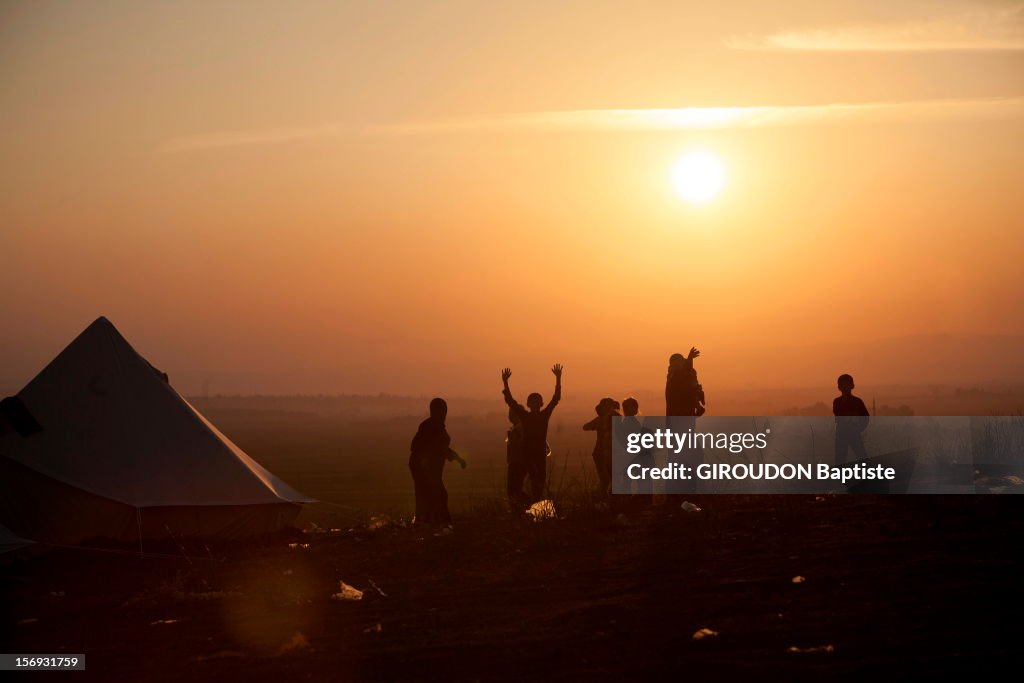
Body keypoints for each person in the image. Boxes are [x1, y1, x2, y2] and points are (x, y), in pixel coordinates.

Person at [501, 364, 562, 502]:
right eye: (532, 402)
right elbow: (510, 402)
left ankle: (533, 511)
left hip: (539, 456)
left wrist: (558, 379)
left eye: (537, 402)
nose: (535, 404)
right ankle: (530, 509)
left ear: (541, 404)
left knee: (538, 487)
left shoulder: (543, 416)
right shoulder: (526, 416)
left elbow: (555, 399)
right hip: (528, 456)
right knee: (525, 487)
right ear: (528, 404)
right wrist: (505, 382)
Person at [409, 397, 466, 526]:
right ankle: (438, 523)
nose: (444, 414)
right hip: (424, 469)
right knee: (435, 496)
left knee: (432, 496)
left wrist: (458, 459)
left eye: (444, 411)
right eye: (441, 411)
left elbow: (443, 449)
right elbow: (417, 448)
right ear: (434, 411)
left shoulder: (436, 426)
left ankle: (430, 523)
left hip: (428, 469)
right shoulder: (428, 427)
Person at [665, 347, 705, 494]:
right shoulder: (673, 378)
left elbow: (690, 388)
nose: (678, 365)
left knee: (691, 456)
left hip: (685, 423)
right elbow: (681, 379)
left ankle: (688, 489)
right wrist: (689, 360)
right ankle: (679, 491)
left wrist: (697, 404)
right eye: (677, 362)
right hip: (677, 425)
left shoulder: (683, 377)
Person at [619, 397, 655, 504]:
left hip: (634, 455)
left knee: (631, 481)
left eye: (636, 406)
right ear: (626, 408)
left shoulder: (629, 421)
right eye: (632, 406)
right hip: (636, 455)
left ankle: (631, 501)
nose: (635, 408)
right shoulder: (629, 422)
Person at [583, 398, 620, 496]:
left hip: (605, 454)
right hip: (603, 454)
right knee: (608, 480)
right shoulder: (613, 418)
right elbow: (586, 427)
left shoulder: (602, 419)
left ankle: (603, 499)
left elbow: (586, 427)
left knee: (607, 480)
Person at [833, 374, 869, 464]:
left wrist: (858, 428)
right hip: (842, 433)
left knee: (862, 457)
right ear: (839, 387)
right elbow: (838, 415)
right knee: (840, 459)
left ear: (852, 386)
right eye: (843, 385)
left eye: (847, 385)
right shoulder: (837, 402)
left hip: (853, 432)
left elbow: (865, 417)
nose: (845, 387)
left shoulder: (857, 401)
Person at [505, 407, 528, 504]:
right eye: (511, 414)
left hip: (518, 463)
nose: (511, 417)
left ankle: (528, 506)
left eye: (514, 414)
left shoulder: (520, 428)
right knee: (514, 490)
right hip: (514, 462)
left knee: (514, 491)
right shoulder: (516, 427)